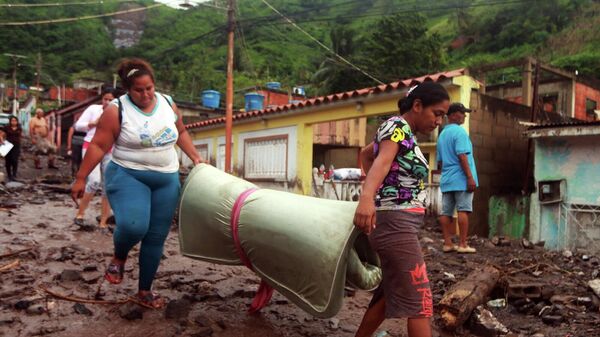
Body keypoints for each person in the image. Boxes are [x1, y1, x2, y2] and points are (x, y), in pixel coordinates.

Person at [71, 58, 203, 309]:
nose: (145, 94)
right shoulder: (116, 110)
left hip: (167, 179)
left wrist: (195, 156)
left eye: (149, 88)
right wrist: (80, 178)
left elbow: (182, 131)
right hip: (128, 175)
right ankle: (119, 256)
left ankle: (145, 290)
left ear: (155, 85)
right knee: (134, 227)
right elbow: (99, 145)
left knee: (156, 237)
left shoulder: (167, 103)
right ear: (128, 90)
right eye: (138, 90)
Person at [353, 82, 450, 337]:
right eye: (436, 113)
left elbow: (366, 154)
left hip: (400, 224)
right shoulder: (397, 126)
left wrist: (375, 190)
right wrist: (367, 198)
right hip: (395, 224)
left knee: (387, 294)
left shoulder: (404, 134)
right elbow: (381, 163)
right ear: (417, 106)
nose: (439, 121)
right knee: (421, 301)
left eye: (443, 115)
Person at [436, 103, 478, 254]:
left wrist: (445, 175)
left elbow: (439, 162)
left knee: (446, 212)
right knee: (463, 210)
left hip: (447, 179)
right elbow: (462, 155)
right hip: (461, 179)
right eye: (462, 113)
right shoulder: (460, 132)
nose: (465, 116)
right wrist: (469, 177)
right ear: (453, 115)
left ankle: (447, 243)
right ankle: (462, 244)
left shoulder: (442, 134)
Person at [73, 90, 115, 229]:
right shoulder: (93, 109)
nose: (107, 102)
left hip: (110, 150)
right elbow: (78, 126)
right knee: (94, 180)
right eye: (105, 99)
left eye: (110, 99)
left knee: (107, 185)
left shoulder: (117, 113)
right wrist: (93, 123)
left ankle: (103, 221)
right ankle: (80, 214)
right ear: (102, 99)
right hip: (91, 147)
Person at [0, 116, 23, 181]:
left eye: (15, 121)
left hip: (16, 145)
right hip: (8, 145)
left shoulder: (19, 127)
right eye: (12, 121)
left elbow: (20, 135)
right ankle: (9, 175)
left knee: (15, 160)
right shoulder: (7, 127)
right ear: (10, 121)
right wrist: (1, 141)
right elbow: (1, 134)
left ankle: (14, 174)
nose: (14, 122)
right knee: (8, 160)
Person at [67, 112, 86, 177]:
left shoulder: (85, 126)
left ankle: (79, 172)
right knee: (75, 158)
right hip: (75, 144)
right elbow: (70, 136)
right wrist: (69, 146)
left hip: (83, 145)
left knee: (81, 159)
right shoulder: (74, 126)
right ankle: (74, 172)